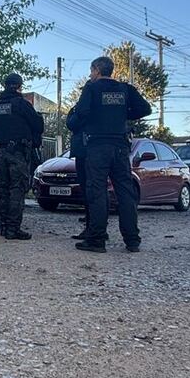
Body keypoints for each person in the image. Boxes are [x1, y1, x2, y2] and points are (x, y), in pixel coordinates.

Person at [72, 57, 152, 252]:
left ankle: (96, 240)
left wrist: (87, 119)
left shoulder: (91, 88)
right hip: (120, 146)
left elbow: (81, 112)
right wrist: (123, 113)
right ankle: (132, 240)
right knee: (125, 192)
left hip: (98, 146)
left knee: (97, 191)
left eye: (91, 70)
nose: (90, 74)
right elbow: (145, 108)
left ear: (97, 70)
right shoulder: (125, 89)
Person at [0, 73, 45, 240]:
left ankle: (4, 225)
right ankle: (13, 228)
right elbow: (38, 125)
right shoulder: (21, 103)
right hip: (17, 152)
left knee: (4, 188)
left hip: (1, 151)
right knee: (17, 188)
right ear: (19, 86)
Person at [65, 89, 90, 240]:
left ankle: (92, 227)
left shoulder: (83, 107)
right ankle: (95, 224)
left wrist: (73, 112)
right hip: (95, 151)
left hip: (84, 151)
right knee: (94, 190)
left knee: (89, 190)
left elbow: (71, 123)